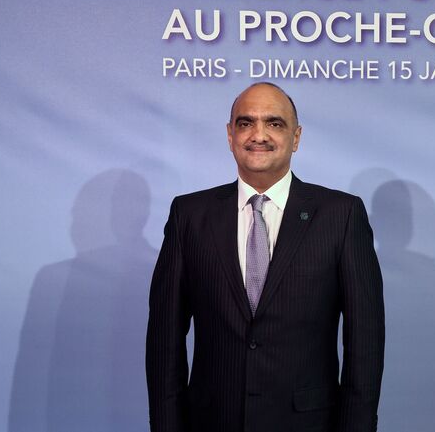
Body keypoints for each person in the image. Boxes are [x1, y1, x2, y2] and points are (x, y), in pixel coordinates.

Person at [146, 82, 385, 432]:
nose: (258, 135)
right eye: (245, 123)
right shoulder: (189, 216)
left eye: (274, 123)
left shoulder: (341, 215)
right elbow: (164, 340)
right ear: (230, 135)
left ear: (297, 137)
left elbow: (365, 344)